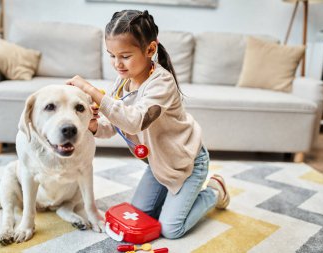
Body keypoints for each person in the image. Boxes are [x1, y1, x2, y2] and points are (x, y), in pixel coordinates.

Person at [66, 9, 230, 239]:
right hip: (158, 163)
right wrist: (93, 124)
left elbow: (134, 122)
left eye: (125, 56)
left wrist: (92, 92)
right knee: (141, 216)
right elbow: (112, 125)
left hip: (186, 161)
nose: (117, 64)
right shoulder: (123, 81)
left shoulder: (161, 83)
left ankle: (214, 190)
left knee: (171, 229)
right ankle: (175, 200)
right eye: (111, 55)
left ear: (150, 49)